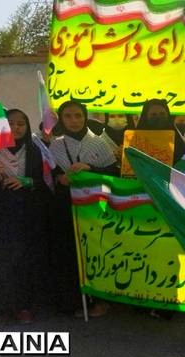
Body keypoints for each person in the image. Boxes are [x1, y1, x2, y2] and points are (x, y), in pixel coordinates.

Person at [49, 100, 118, 317]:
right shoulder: (55, 146)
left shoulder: (99, 143)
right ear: (61, 119)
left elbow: (114, 173)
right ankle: (74, 301)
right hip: (67, 208)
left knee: (96, 252)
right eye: (68, 116)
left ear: (85, 117)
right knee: (71, 253)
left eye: (78, 115)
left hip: (96, 208)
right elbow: (49, 175)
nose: (74, 120)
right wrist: (60, 178)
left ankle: (101, 301)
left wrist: (90, 168)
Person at [0, 109, 53, 325]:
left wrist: (27, 181)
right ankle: (3, 306)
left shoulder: (36, 150)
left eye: (20, 123)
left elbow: (47, 181)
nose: (15, 128)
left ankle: (24, 307)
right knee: (1, 259)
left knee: (25, 260)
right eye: (10, 123)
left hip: (28, 214)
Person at [136, 99, 185, 165]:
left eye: (162, 114)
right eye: (153, 115)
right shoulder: (137, 141)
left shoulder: (177, 140)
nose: (158, 117)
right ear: (145, 117)